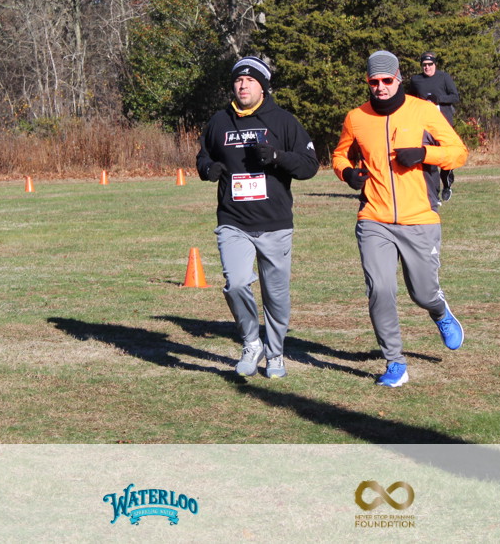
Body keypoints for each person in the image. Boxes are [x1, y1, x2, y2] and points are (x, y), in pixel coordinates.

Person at [332, 50, 467, 387]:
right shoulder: (356, 118)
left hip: (419, 218)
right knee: (380, 289)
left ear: (398, 78)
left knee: (422, 293)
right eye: (374, 82)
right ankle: (394, 361)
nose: (380, 87)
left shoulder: (423, 111)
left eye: (386, 80)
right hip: (374, 218)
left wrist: (424, 153)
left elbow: (458, 153)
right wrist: (347, 173)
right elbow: (339, 155)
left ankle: (439, 310)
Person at [196, 56, 319, 379]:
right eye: (238, 80)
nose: (243, 85)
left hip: (274, 223)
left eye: (250, 81)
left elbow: (309, 165)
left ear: (262, 87)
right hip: (233, 220)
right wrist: (208, 168)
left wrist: (278, 157)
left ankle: (275, 353)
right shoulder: (219, 122)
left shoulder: (283, 121)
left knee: (275, 296)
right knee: (236, 283)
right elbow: (203, 156)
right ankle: (252, 342)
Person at [408, 52, 460, 200]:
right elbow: (410, 100)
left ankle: (447, 186)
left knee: (445, 158)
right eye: (424, 65)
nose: (427, 67)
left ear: (435, 65)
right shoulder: (416, 80)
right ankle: (433, 194)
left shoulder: (444, 77)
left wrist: (439, 99)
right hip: (424, 126)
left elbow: (455, 97)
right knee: (430, 159)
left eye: (430, 64)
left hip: (443, 125)